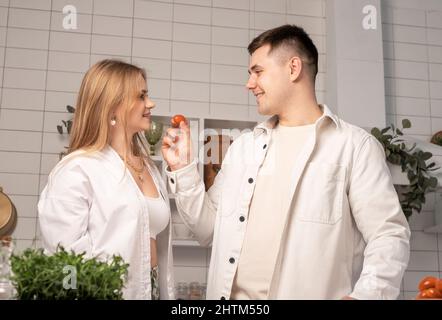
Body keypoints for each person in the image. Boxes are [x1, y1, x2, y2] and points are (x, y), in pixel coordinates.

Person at [161, 25, 410, 300]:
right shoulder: (243, 148)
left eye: (258, 72)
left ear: (293, 68)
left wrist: (365, 296)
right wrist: (183, 168)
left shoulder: (355, 147)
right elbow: (206, 231)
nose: (249, 84)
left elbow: (388, 234)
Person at [38, 59, 175, 300]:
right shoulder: (76, 170)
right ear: (112, 107)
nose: (150, 103)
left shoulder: (150, 169)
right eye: (141, 96)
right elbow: (67, 263)